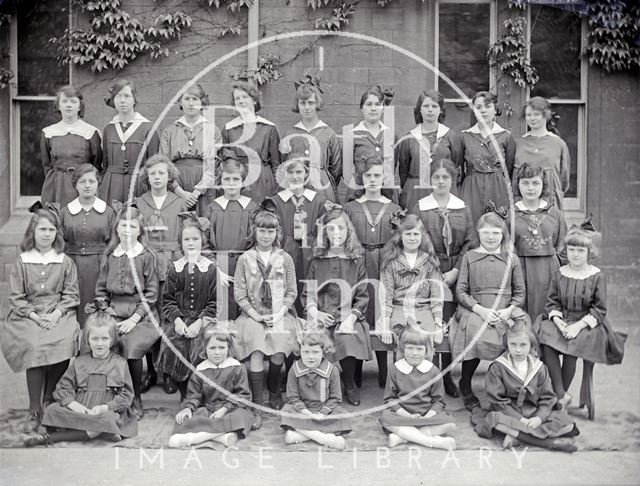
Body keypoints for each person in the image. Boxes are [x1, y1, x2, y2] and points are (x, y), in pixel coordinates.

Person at [1, 202, 80, 434]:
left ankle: (49, 399)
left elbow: (71, 294)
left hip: (59, 311)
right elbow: (16, 298)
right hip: (30, 314)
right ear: (33, 232)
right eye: (42, 230)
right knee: (33, 344)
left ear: (56, 234)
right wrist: (36, 317)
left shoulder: (64, 261)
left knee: (64, 340)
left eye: (51, 230)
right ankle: (34, 407)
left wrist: (55, 315)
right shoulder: (23, 261)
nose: (47, 234)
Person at [536, 222, 625, 413]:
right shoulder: (560, 273)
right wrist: (559, 322)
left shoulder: (596, 276)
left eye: (580, 250)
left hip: (587, 324)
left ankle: (558, 397)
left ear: (588, 253)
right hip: (563, 319)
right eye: (571, 249)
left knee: (571, 348)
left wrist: (576, 327)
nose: (575, 254)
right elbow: (553, 302)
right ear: (565, 251)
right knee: (547, 340)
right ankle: (561, 396)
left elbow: (600, 309)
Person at [449, 212, 530, 411]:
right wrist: (480, 310)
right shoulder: (470, 256)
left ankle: (509, 386)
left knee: (521, 330)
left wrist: (509, 310)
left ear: (503, 234)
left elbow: (520, 292)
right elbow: (460, 291)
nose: (491, 237)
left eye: (496, 233)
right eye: (486, 233)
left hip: (504, 309)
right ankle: (466, 385)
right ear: (478, 233)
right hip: (476, 308)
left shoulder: (512, 259)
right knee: (476, 332)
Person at [25, 309, 138, 447]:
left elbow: (127, 395)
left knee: (108, 420)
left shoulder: (120, 364)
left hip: (103, 412)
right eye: (94, 339)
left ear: (113, 339)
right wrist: (73, 404)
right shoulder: (79, 362)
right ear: (87, 339)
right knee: (51, 410)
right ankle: (98, 430)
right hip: (80, 409)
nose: (99, 344)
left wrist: (106, 407)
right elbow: (62, 387)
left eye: (104, 339)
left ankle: (49, 437)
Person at [232, 207, 299, 428]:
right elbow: (239, 294)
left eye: (271, 231)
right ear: (255, 231)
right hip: (251, 315)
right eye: (262, 230)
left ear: (277, 233)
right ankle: (257, 401)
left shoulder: (285, 258)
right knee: (257, 346)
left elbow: (291, 291)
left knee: (279, 343)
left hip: (280, 313)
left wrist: (280, 313)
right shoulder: (245, 259)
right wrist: (257, 316)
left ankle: (273, 388)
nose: (266, 235)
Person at [414, 159, 475, 397]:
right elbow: (416, 239)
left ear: (453, 179)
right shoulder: (421, 207)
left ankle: (447, 374)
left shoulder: (462, 208)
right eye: (437, 177)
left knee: (448, 322)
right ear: (430, 180)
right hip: (429, 268)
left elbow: (470, 242)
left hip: (456, 270)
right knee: (431, 319)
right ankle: (426, 373)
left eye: (445, 178)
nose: (441, 182)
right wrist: (434, 271)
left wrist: (456, 271)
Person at [94, 202, 160, 420]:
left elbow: (151, 294)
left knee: (130, 345)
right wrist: (106, 310)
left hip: (142, 314)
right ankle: (108, 395)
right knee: (100, 339)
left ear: (140, 230)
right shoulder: (110, 255)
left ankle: (135, 398)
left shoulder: (146, 256)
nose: (127, 230)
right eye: (123, 225)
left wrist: (134, 318)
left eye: (132, 226)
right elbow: (101, 289)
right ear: (117, 228)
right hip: (114, 310)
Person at [302, 206, 371, 406]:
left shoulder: (356, 260)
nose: (336, 233)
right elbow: (309, 292)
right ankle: (320, 382)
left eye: (340, 228)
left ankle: (349, 383)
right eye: (331, 229)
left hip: (347, 314)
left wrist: (350, 319)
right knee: (315, 339)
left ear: (348, 231)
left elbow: (362, 295)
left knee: (347, 337)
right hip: (323, 314)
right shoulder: (317, 260)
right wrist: (315, 313)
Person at [474, 323, 579, 452]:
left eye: (523, 345)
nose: (518, 350)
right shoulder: (498, 368)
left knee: (567, 424)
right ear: (507, 344)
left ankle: (517, 437)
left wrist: (539, 418)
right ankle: (550, 443)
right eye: (513, 344)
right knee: (496, 420)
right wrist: (520, 419)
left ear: (531, 345)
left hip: (533, 411)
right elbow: (497, 401)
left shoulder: (539, 368)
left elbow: (548, 398)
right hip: (509, 412)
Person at [344, 156, 401, 387]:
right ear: (361, 179)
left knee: (381, 310)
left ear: (384, 177)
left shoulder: (394, 208)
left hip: (384, 263)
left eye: (377, 175)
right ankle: (355, 366)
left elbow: (400, 241)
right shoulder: (350, 208)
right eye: (368, 176)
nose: (373, 180)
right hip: (358, 262)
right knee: (359, 309)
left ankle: (383, 368)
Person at [157, 212, 220, 399]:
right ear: (181, 242)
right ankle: (184, 393)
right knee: (173, 341)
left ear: (202, 241)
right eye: (186, 239)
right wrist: (177, 321)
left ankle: (201, 392)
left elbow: (215, 302)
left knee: (200, 344)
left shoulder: (210, 268)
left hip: (203, 319)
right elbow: (167, 301)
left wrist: (199, 322)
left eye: (195, 239)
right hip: (180, 319)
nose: (191, 243)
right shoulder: (175, 267)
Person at [168, 330, 253, 449]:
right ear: (204, 349)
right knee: (185, 419)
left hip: (231, 409)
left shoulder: (237, 368)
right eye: (212, 348)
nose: (217, 352)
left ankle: (192, 439)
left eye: (222, 348)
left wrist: (225, 408)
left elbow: (243, 395)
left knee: (241, 417)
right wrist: (188, 408)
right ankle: (222, 438)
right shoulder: (200, 370)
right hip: (208, 410)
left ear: (228, 348)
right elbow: (194, 395)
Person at [380, 214, 444, 361]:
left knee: (427, 338)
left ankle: (427, 379)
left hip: (423, 310)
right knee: (404, 337)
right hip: (399, 309)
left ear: (422, 236)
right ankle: (403, 379)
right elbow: (386, 295)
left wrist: (438, 324)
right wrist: (384, 325)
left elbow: (436, 296)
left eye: (416, 234)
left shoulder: (430, 262)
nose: (412, 238)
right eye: (408, 234)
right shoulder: (391, 262)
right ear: (400, 236)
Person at [379, 329, 456, 450]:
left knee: (450, 424)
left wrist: (428, 416)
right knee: (385, 418)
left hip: (426, 415)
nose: (414, 353)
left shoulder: (433, 371)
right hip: (402, 415)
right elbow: (390, 399)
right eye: (409, 348)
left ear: (427, 351)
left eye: (419, 349)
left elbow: (439, 401)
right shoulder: (395, 369)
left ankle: (402, 437)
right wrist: (407, 415)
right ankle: (432, 442)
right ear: (402, 349)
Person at [206, 151, 260, 320]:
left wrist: (249, 263)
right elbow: (204, 242)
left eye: (235, 179)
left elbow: (257, 240)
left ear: (243, 181)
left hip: (244, 263)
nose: (231, 184)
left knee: (243, 307)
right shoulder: (213, 207)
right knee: (220, 310)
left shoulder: (251, 207)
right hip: (218, 264)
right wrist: (214, 266)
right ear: (220, 182)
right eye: (227, 179)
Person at [270, 155, 326, 315]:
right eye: (290, 172)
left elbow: (323, 229)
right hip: (286, 248)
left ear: (306, 174)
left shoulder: (317, 200)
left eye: (299, 172)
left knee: (309, 284)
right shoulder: (276, 201)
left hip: (310, 250)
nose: (295, 176)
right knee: (287, 284)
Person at [60, 164, 115, 326]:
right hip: (72, 266)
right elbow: (59, 243)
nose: (87, 185)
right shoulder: (65, 212)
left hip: (100, 266)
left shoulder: (108, 212)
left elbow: (113, 243)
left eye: (91, 181)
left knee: (97, 306)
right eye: (82, 182)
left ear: (98, 184)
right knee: (73, 306)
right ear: (75, 185)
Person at [513, 163, 567, 320]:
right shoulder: (510, 214)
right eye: (525, 182)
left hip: (549, 271)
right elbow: (506, 248)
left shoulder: (554, 214)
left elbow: (563, 247)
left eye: (535, 183)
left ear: (543, 185)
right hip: (520, 271)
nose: (530, 188)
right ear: (518, 184)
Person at [280, 330, 351, 449]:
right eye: (306, 352)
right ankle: (325, 439)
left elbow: (336, 398)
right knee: (287, 412)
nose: (310, 356)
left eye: (315, 352)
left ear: (323, 352)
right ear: (299, 351)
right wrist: (306, 413)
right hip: (303, 410)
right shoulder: (294, 369)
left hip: (324, 410)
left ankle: (300, 436)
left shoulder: (332, 370)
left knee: (342, 415)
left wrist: (322, 414)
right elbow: (292, 397)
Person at [160, 83, 221, 215]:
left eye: (195, 99)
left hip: (204, 185)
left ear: (202, 102)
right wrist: (179, 191)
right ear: (180, 102)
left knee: (204, 224)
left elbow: (214, 165)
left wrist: (197, 192)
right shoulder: (169, 131)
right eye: (187, 99)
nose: (191, 103)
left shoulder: (212, 130)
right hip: (177, 183)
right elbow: (164, 165)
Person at [396, 90, 462, 210]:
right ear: (419, 110)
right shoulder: (409, 138)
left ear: (441, 110)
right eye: (426, 106)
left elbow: (456, 166)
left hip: (443, 189)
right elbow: (403, 170)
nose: (430, 110)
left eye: (434, 106)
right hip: (416, 190)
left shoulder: (451, 136)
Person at [279, 75, 342, 202]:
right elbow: (284, 164)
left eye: (311, 103)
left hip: (323, 189)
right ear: (297, 104)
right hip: (296, 189)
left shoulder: (329, 134)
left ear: (317, 103)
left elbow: (336, 169)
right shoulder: (289, 134)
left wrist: (322, 177)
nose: (307, 107)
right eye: (303, 103)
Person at [459, 91, 516, 224]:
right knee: (470, 224)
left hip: (498, 188)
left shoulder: (506, 136)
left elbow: (509, 170)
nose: (483, 111)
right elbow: (459, 168)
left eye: (487, 106)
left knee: (496, 225)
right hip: (471, 188)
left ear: (495, 109)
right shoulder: (464, 136)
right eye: (478, 107)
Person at [41, 85, 102, 206]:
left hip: (81, 186)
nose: (68, 105)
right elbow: (46, 165)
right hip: (55, 187)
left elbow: (96, 165)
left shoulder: (91, 132)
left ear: (80, 106)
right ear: (58, 105)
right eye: (64, 101)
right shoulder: (48, 133)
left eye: (73, 101)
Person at [100, 79, 160, 203]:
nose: (122, 100)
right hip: (112, 186)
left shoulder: (148, 128)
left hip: (138, 185)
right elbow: (105, 165)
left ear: (134, 100)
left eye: (127, 96)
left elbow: (154, 165)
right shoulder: (108, 129)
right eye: (118, 96)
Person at [222, 81, 280, 203]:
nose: (241, 101)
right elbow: (226, 163)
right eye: (237, 98)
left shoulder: (269, 128)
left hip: (264, 180)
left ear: (254, 100)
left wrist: (276, 188)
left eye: (245, 97)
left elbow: (276, 164)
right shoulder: (229, 129)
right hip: (239, 182)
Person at [514, 97, 570, 209]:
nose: (532, 118)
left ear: (546, 115)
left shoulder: (558, 143)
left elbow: (564, 178)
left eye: (536, 114)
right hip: (521, 204)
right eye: (529, 115)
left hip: (550, 202)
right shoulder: (518, 143)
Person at [344, 85, 398, 203]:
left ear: (383, 108)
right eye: (369, 104)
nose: (373, 108)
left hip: (386, 191)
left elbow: (393, 166)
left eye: (377, 104)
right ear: (362, 108)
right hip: (359, 191)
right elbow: (347, 170)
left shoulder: (391, 135)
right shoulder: (352, 135)